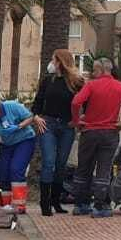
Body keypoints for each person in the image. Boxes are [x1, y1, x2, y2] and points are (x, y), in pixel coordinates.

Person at [69, 57, 121, 218]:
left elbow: (76, 102)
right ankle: (100, 206)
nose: (93, 73)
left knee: (84, 168)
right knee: (104, 169)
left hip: (89, 132)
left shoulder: (91, 85)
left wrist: (76, 121)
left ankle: (81, 204)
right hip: (110, 133)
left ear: (101, 70)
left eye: (94, 70)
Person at [31, 49, 85, 217]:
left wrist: (79, 120)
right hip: (48, 124)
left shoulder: (76, 82)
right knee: (49, 161)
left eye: (53, 60)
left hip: (67, 126)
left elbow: (86, 102)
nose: (51, 63)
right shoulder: (48, 81)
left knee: (61, 163)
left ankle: (56, 200)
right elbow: (38, 102)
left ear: (60, 62)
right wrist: (36, 117)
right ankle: (45, 202)